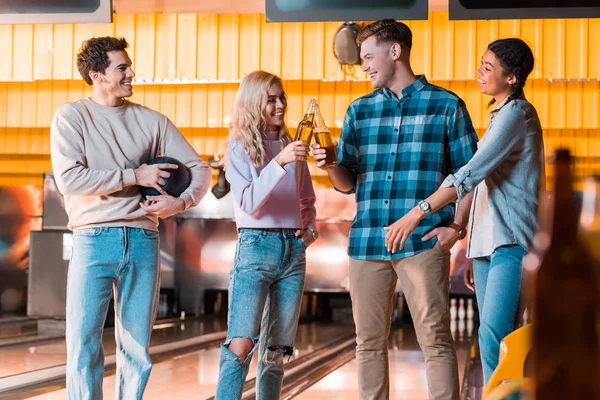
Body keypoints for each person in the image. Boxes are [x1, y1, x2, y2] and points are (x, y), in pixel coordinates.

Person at [312, 19, 479, 400]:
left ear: (394, 52)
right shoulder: (360, 110)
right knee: (367, 343)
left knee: (434, 339)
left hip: (423, 241)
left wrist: (456, 227)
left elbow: (470, 175)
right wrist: (330, 165)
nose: (364, 65)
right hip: (368, 240)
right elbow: (347, 181)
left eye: (369, 56)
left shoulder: (447, 105)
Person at [50, 36, 211, 399]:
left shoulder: (152, 121)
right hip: (93, 238)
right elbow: (70, 178)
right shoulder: (72, 116)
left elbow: (200, 170)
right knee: (83, 342)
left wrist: (180, 203)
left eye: (129, 66)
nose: (131, 73)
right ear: (97, 75)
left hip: (143, 239)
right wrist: (134, 176)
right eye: (122, 68)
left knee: (136, 348)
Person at [383, 38, 543, 385]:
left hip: (512, 242)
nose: (479, 72)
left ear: (512, 78)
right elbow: (482, 185)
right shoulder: (499, 114)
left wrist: (417, 213)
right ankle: (500, 392)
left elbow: (468, 174)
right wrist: (470, 245)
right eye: (481, 64)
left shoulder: (518, 114)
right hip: (491, 244)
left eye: (489, 67)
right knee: (495, 336)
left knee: (494, 335)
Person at [215, 70, 317, 399]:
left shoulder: (291, 144)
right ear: (253, 102)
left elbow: (305, 198)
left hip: (292, 250)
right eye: (270, 99)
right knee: (241, 344)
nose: (279, 105)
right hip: (256, 246)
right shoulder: (238, 148)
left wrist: (311, 225)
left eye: (281, 97)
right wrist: (280, 162)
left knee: (276, 351)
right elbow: (248, 202)